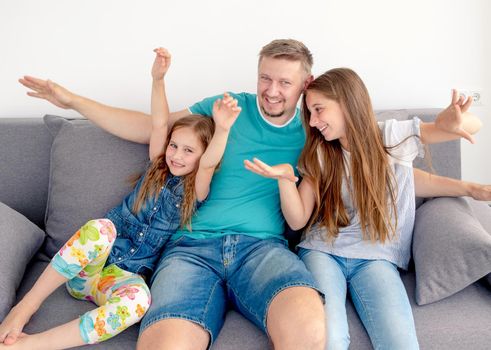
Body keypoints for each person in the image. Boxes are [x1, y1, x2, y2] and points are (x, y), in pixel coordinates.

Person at [15, 39, 483, 349]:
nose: (272, 90)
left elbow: (391, 157)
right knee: (164, 342)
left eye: (284, 82)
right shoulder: (225, 107)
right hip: (189, 250)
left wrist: (457, 142)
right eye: (265, 77)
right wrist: (73, 101)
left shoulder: (318, 129)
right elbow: (149, 129)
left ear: (306, 85)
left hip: (264, 251)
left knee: (307, 321)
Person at [0, 48, 241, 349]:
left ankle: (30, 344)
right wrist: (158, 79)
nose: (177, 155)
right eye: (174, 146)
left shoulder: (197, 190)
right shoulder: (158, 164)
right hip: (85, 272)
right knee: (100, 228)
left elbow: (209, 163)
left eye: (188, 151)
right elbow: (158, 123)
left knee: (141, 299)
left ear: (203, 156)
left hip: (117, 279)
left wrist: (224, 128)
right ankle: (26, 307)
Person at [244, 67, 491, 350]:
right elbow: (298, 220)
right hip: (323, 251)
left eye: (319, 110)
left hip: (377, 256)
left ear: (346, 102)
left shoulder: (391, 136)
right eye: (309, 113)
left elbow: (471, 127)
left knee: (401, 343)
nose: (313, 122)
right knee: (331, 339)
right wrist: (286, 180)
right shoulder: (320, 152)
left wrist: (448, 127)